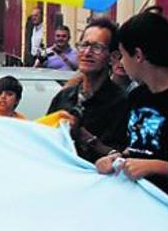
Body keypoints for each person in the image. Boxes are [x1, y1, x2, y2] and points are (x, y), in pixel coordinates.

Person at [94, 9, 168, 199]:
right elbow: (134, 148)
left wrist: (155, 166)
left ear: (138, 55)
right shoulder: (136, 97)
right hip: (133, 200)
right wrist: (115, 159)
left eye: (123, 55)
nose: (121, 62)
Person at [47, 18, 129, 163]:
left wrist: (85, 137)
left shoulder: (122, 103)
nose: (87, 52)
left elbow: (124, 159)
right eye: (84, 45)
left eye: (97, 47)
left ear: (113, 57)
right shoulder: (64, 97)